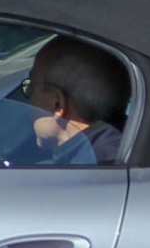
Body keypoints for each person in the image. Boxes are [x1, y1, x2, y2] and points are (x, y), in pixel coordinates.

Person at [21, 36, 129, 165]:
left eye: (31, 88)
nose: (28, 104)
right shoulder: (128, 149)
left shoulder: (89, 171)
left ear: (57, 104)